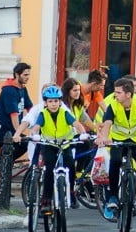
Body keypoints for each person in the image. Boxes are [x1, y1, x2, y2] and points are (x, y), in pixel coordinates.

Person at [14, 85, 87, 214]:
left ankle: (71, 193)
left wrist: (83, 133)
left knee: (70, 164)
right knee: (49, 168)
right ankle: (46, 200)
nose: (53, 104)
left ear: (60, 101)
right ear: (45, 103)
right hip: (49, 145)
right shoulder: (42, 113)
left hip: (65, 144)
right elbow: (36, 126)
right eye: (50, 101)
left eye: (56, 101)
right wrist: (34, 134)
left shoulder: (64, 112)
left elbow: (77, 124)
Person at [95, 77, 136, 220]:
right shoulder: (113, 105)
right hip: (118, 139)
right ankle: (113, 197)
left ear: (128, 94)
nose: (115, 95)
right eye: (115, 92)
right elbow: (107, 123)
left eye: (118, 92)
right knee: (115, 162)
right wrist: (104, 137)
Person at [0, 62, 33, 160]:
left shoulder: (22, 88)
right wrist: (18, 132)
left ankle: (3, 163)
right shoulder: (9, 90)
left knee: (26, 143)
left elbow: (30, 108)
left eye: (28, 74)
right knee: (8, 155)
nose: (28, 77)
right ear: (17, 74)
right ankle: (1, 163)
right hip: (6, 130)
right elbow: (14, 114)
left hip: (14, 129)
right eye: (25, 75)